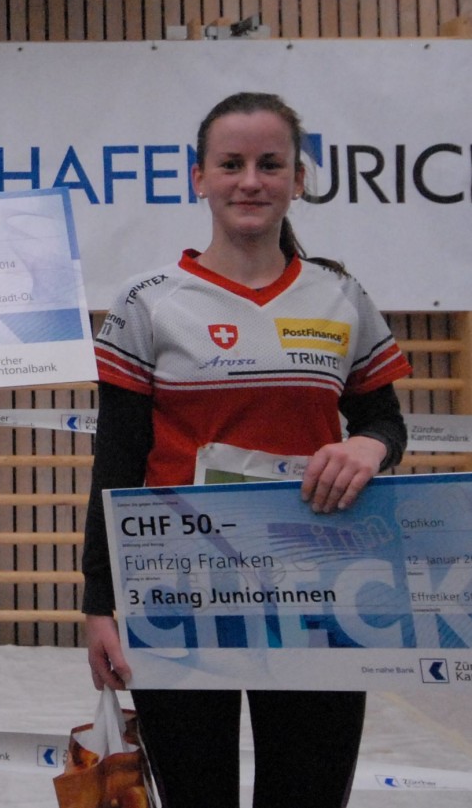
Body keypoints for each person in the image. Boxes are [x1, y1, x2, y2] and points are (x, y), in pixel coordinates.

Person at [81, 91, 410, 808]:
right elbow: (117, 461)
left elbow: (385, 419)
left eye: (270, 164)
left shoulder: (340, 295)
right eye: (231, 164)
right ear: (198, 177)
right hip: (176, 591)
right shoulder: (147, 302)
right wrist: (100, 603)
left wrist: (370, 446)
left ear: (299, 178)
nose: (250, 181)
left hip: (318, 590)